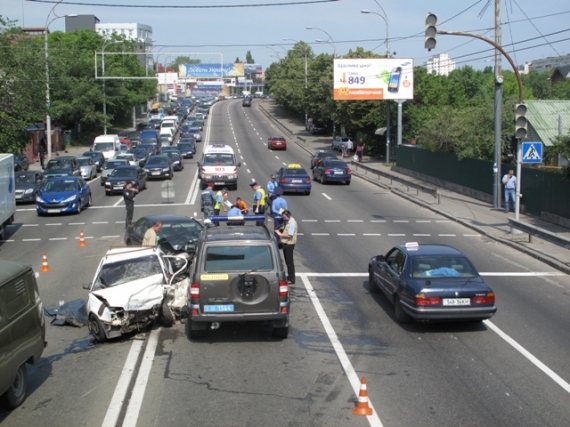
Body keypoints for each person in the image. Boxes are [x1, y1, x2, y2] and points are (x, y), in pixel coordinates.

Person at [275, 210, 297, 285]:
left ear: (288, 215)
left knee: (289, 262)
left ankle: (291, 278)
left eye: (284, 217)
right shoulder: (289, 221)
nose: (284, 218)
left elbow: (289, 235)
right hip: (286, 243)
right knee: (288, 261)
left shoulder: (292, 223)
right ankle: (290, 277)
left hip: (289, 244)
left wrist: (280, 234)